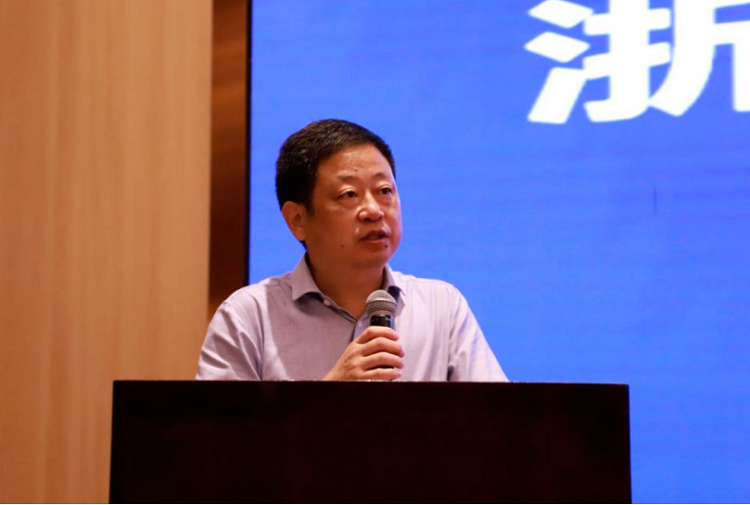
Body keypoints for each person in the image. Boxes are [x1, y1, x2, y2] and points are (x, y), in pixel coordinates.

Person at [197, 119, 507, 382]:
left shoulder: (442, 308)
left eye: (385, 190)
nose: (374, 210)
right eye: (349, 194)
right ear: (298, 219)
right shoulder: (249, 317)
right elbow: (217, 434)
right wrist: (328, 396)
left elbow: (501, 423)